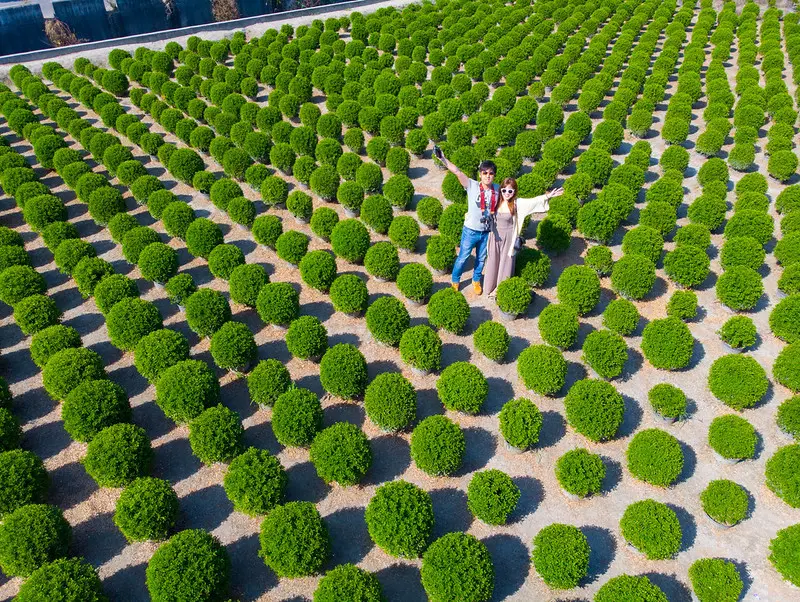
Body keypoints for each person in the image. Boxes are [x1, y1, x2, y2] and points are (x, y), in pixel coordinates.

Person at [483, 178, 564, 297]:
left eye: (510, 191)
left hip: (509, 237)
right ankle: (489, 287)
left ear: (514, 192)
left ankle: (500, 290)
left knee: (506, 263)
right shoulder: (495, 201)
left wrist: (548, 196)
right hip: (494, 237)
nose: (506, 193)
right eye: (504, 190)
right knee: (492, 260)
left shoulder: (517, 203)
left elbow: (533, 201)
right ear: (500, 190)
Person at [436, 148, 498, 295]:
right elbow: (457, 171)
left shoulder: (498, 189)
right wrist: (442, 159)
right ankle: (455, 280)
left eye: (491, 173)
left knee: (481, 259)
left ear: (494, 175)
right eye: (485, 173)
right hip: (471, 230)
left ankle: (476, 280)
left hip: (487, 231)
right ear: (480, 174)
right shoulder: (472, 185)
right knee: (463, 257)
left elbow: (511, 197)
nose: (488, 176)